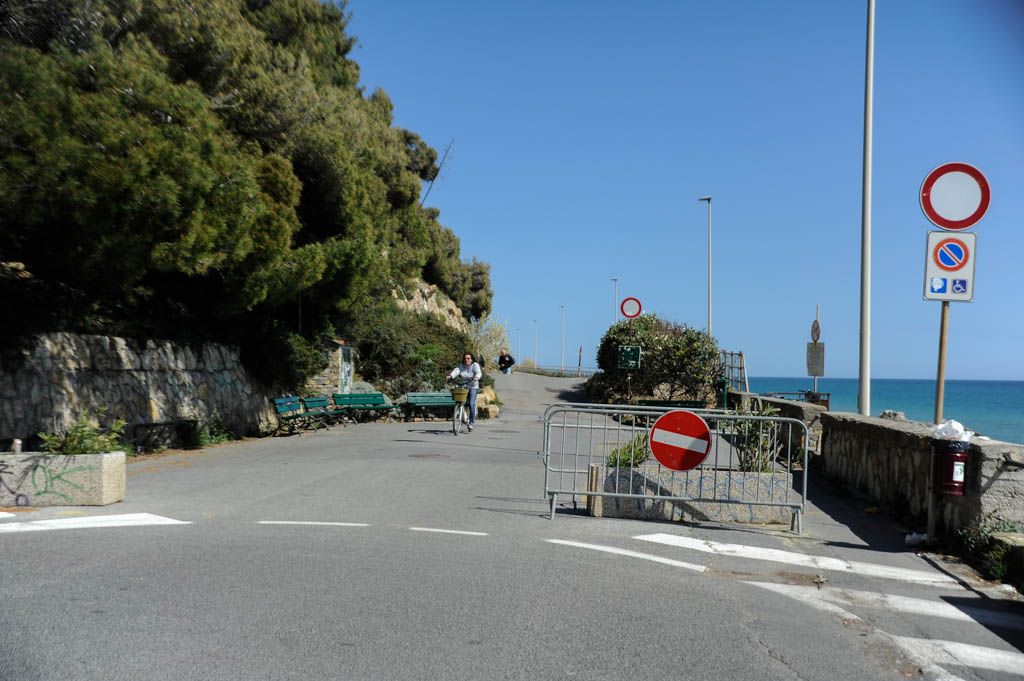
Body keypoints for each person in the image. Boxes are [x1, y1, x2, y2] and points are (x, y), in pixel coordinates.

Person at [446, 352, 482, 431]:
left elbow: (479, 373)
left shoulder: (475, 365)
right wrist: (451, 376)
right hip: (464, 386)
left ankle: (471, 422)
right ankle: (463, 415)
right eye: (465, 358)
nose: (466, 360)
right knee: (460, 401)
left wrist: (476, 377)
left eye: (468, 358)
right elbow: (457, 370)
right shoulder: (461, 365)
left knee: (471, 404)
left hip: (473, 386)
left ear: (471, 359)